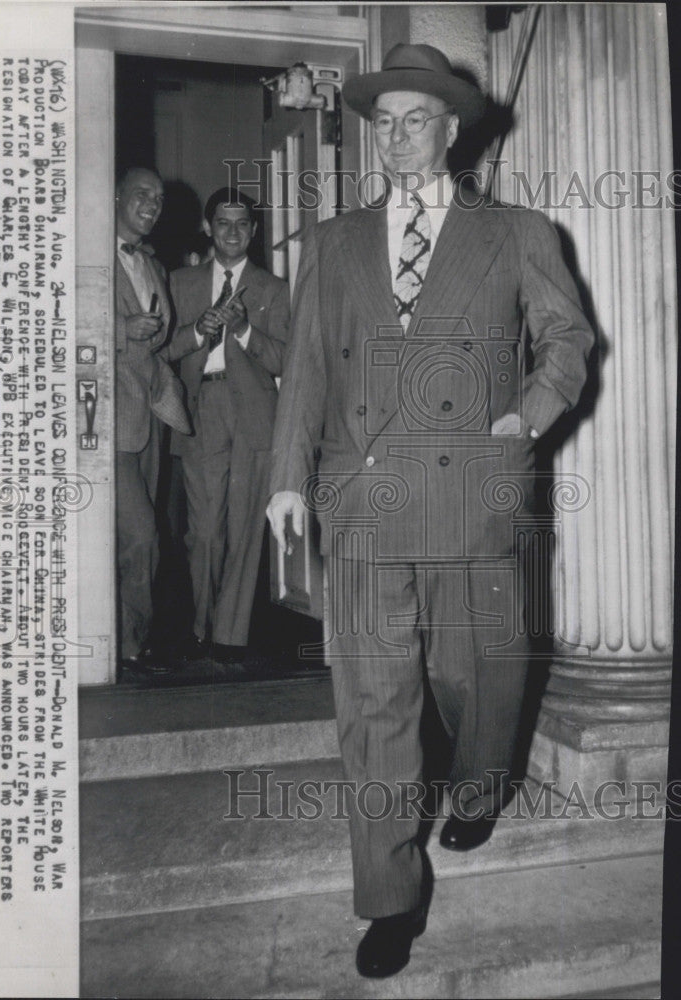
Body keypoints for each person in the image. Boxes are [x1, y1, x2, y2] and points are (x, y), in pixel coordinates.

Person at [266, 44, 593, 979]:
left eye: (417, 120)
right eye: (385, 121)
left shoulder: (518, 233)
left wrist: (523, 419)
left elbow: (567, 342)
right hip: (362, 498)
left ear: (452, 130)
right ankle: (390, 897)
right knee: (375, 707)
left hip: (471, 492)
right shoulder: (332, 241)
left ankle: (483, 783)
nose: (399, 137)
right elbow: (307, 375)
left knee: (477, 678)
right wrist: (287, 478)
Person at [167, 187, 289, 659]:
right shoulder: (179, 283)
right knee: (204, 532)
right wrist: (200, 329)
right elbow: (165, 349)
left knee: (243, 529)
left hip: (256, 414)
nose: (233, 232)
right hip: (203, 411)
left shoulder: (273, 289)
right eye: (223, 222)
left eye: (242, 224)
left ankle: (228, 636)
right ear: (208, 227)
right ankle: (201, 626)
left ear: (254, 232)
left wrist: (244, 331)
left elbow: (287, 359)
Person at [114, 166, 192, 674]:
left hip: (151, 420)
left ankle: (129, 644)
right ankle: (122, 645)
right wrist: (123, 327)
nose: (152, 204)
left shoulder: (155, 267)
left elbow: (161, 341)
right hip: (105, 417)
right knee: (140, 534)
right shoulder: (86, 255)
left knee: (146, 537)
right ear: (118, 197)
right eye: (142, 194)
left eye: (159, 198)